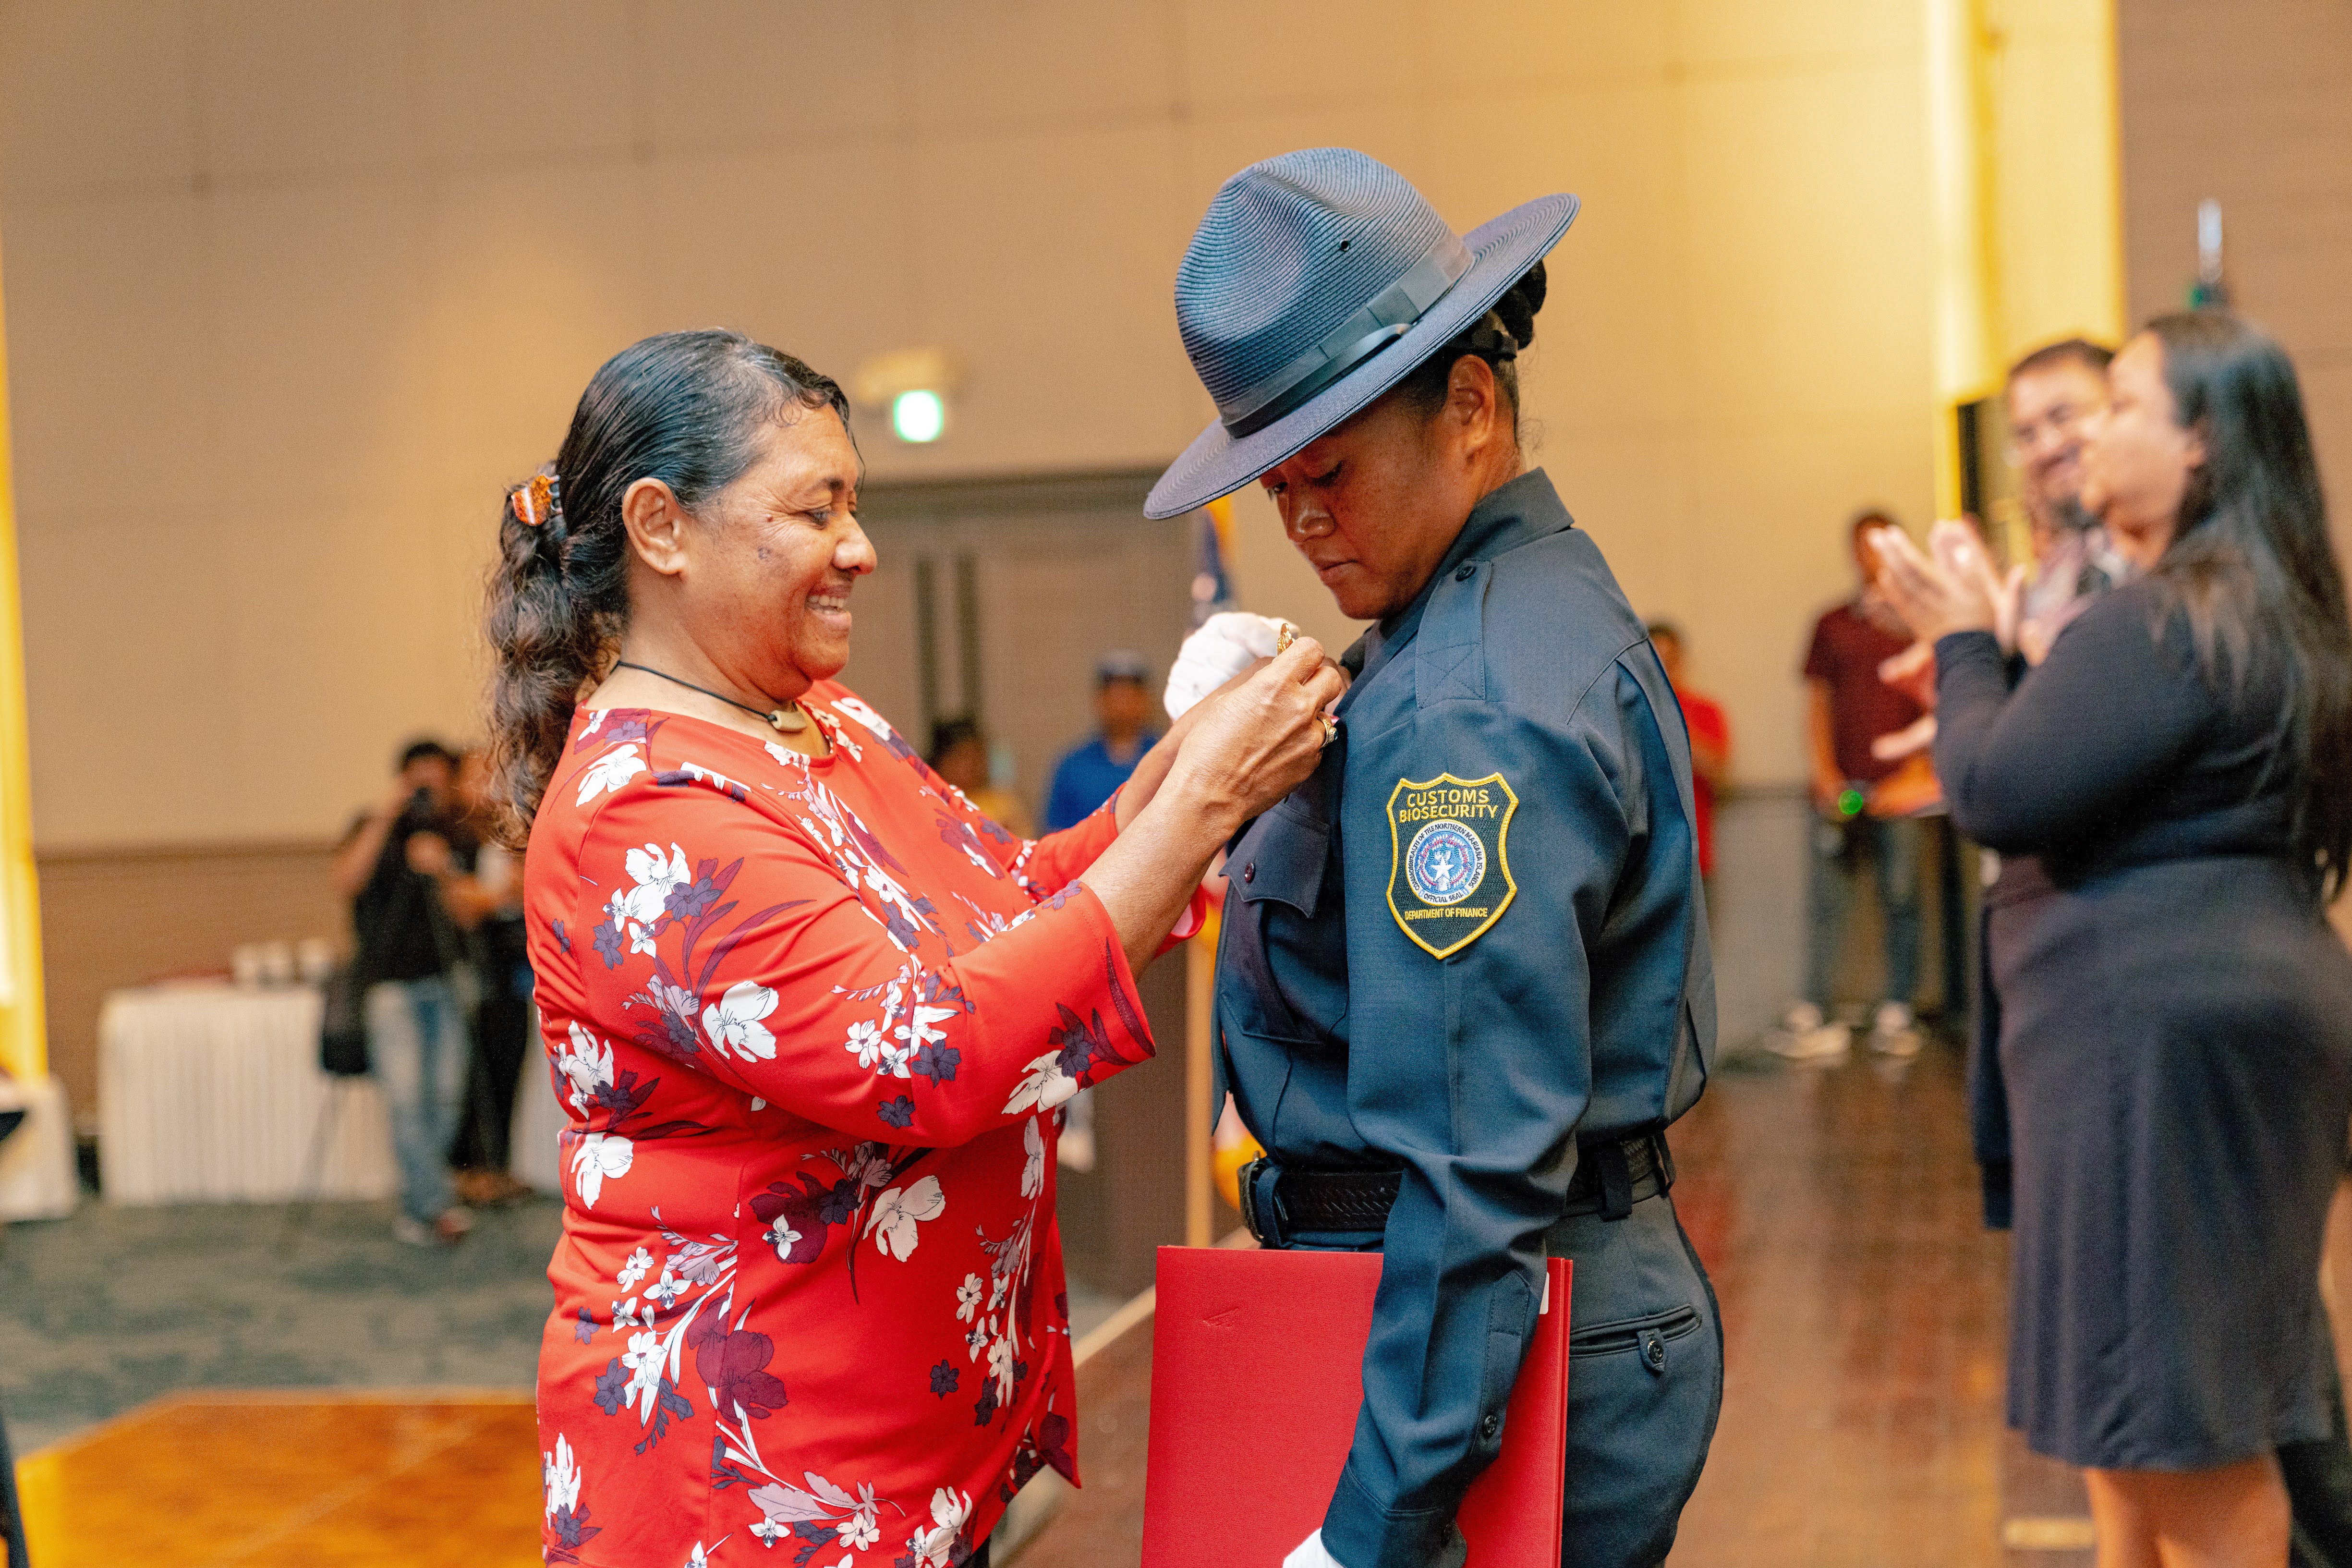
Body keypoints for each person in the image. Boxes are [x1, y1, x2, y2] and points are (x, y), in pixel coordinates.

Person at [485, 329, 1338, 1568]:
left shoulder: (813, 718)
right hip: (761, 1484)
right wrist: (1203, 805)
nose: (858, 547)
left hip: (911, 1455)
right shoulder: (640, 812)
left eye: (854, 503)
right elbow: (925, 1049)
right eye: (813, 507)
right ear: (660, 527)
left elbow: (1013, 898)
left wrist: (1186, 767)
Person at [1145, 148, 1719, 1568]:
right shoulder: (1494, 604)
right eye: (1275, 487)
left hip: (1487, 1333)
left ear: (1470, 403)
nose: (1302, 521)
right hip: (1509, 1314)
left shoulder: (1466, 697)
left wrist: (1373, 1527)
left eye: (1329, 470)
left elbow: (1473, 1162)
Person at [1872, 312, 2352, 1568]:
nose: (2090, 433)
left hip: (2162, 1057)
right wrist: (1985, 671)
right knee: (2139, 1427)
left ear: (2200, 444)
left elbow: (2000, 791)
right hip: (2169, 1039)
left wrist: (1970, 641)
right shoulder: (2230, 604)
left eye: (2122, 405)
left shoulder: (2173, 615)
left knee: (2190, 1441)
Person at [1773, 513, 1929, 1061]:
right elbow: (1817, 702)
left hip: (1901, 788)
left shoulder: (1919, 621)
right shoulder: (1832, 622)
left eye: (1881, 547)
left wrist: (1919, 773)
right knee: (1829, 900)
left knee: (1902, 895)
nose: (1872, 558)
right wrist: (1823, 773)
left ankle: (1898, 1009)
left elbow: (1941, 694)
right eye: (1862, 547)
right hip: (1842, 785)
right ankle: (1817, 1010)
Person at [329, 737, 478, 1246]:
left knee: (445, 1099)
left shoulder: (454, 835)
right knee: (406, 1100)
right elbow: (346, 879)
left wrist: (443, 871)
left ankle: (423, 1204)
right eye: (418, 782)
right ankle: (433, 1207)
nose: (425, 793)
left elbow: (470, 912)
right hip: (391, 987)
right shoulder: (373, 827)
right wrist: (387, 815)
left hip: (446, 981)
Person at [447, 746, 535, 1204]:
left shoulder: (513, 826)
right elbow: (463, 902)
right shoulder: (454, 834)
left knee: (509, 1068)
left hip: (515, 974)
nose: (490, 781)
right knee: (476, 1074)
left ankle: (497, 1168)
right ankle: (469, 1173)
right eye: (477, 773)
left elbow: (525, 886)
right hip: (477, 975)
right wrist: (500, 893)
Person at [1648, 621, 1731, 884]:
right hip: (1641, 861)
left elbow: (1718, 776)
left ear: (1680, 661)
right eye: (1654, 661)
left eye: (1668, 661)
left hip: (1693, 855)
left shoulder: (1704, 711)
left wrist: (1672, 718)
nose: (1662, 670)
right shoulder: (1625, 712)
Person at [1041, 651, 1158, 831]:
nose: (1122, 707)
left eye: (1129, 696)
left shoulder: (1166, 760)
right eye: (1115, 697)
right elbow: (1054, 834)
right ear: (1099, 702)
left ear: (1145, 701)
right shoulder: (1073, 767)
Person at [927, 715, 1034, 839]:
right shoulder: (931, 801)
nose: (972, 764)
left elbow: (1025, 845)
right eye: (963, 757)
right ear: (941, 761)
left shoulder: (1004, 803)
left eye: (977, 756)